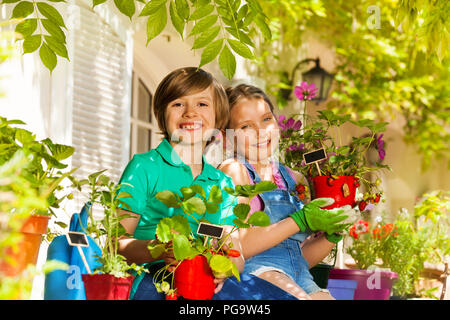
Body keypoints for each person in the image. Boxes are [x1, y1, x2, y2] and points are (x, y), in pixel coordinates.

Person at [115, 68, 297, 300]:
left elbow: (236, 255)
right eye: (178, 104)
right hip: (154, 278)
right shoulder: (144, 167)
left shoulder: (220, 182)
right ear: (162, 113)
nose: (190, 113)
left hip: (205, 279)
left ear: (218, 116)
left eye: (202, 104)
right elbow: (116, 245)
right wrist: (159, 249)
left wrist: (224, 266)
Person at [219, 84, 352, 300]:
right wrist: (298, 220)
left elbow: (297, 257)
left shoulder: (293, 178)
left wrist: (331, 236)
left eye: (266, 119)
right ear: (227, 137)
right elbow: (237, 246)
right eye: (246, 127)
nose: (261, 132)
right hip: (256, 274)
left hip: (298, 275)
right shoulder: (235, 171)